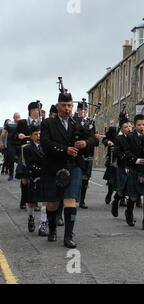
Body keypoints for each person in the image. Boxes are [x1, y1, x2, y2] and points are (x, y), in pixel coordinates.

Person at [39, 89, 96, 248]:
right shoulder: (48, 123)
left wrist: (85, 143)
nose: (67, 108)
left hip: (73, 166)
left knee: (70, 200)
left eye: (69, 105)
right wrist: (65, 149)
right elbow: (45, 143)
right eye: (63, 105)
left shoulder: (77, 124)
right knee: (52, 203)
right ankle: (52, 229)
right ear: (57, 106)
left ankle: (68, 235)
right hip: (53, 166)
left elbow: (93, 138)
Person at [121, 114, 144, 228]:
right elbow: (126, 152)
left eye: (143, 124)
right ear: (134, 126)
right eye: (139, 125)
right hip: (135, 168)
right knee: (133, 197)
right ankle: (129, 212)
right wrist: (138, 160)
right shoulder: (129, 137)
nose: (141, 127)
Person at [14, 103, 42, 210]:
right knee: (25, 179)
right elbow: (14, 136)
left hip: (37, 153)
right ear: (30, 111)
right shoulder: (22, 123)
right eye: (34, 110)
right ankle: (23, 200)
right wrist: (18, 135)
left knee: (35, 178)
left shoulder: (42, 123)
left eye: (37, 110)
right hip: (24, 153)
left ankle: (34, 202)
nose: (36, 112)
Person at [73, 101, 100, 209]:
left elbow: (93, 139)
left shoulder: (91, 122)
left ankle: (82, 200)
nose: (83, 111)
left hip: (88, 152)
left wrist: (94, 138)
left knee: (85, 177)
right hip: (76, 152)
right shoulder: (73, 121)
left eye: (85, 109)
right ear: (78, 110)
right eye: (81, 109)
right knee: (77, 177)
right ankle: (75, 198)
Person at [22, 125, 48, 236]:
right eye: (36, 134)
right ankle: (31, 217)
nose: (38, 136)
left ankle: (42, 224)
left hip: (45, 177)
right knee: (32, 202)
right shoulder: (27, 148)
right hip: (33, 177)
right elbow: (29, 164)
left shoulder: (46, 147)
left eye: (40, 134)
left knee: (45, 202)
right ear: (31, 136)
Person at [111, 117, 132, 217]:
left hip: (133, 166)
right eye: (125, 127)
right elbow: (116, 151)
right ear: (122, 129)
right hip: (123, 165)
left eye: (129, 126)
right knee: (121, 189)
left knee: (132, 190)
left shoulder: (134, 137)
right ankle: (115, 203)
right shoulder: (119, 138)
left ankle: (129, 212)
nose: (128, 128)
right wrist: (124, 155)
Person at [3, 113, 21, 181]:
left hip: (19, 143)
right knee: (11, 159)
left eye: (19, 117)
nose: (18, 118)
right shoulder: (9, 124)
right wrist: (1, 142)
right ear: (13, 118)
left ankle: (19, 173)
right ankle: (11, 175)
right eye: (16, 117)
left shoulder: (22, 123)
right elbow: (3, 133)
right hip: (11, 144)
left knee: (21, 159)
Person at [103, 126, 118, 204]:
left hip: (124, 159)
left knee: (123, 179)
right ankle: (109, 194)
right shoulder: (112, 133)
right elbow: (105, 139)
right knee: (111, 180)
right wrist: (107, 142)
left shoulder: (127, 134)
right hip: (112, 159)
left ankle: (120, 198)